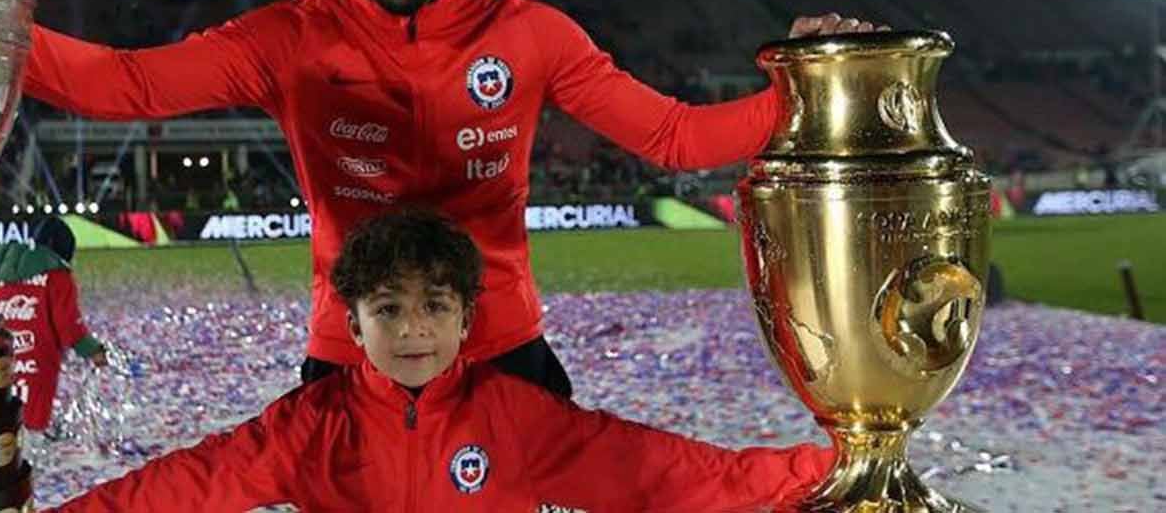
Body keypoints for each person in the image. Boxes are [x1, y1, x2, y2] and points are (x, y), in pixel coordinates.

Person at [22, 0, 886, 397]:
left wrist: (810, 85)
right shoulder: (289, 36)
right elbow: (122, 86)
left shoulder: (530, 33)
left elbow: (672, 134)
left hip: (504, 355)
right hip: (349, 357)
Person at [47, 209, 833, 512]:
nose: (413, 329)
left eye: (435, 306)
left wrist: (821, 467)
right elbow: (189, 481)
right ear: (351, 326)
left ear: (466, 320)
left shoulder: (515, 414)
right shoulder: (311, 423)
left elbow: (661, 470)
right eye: (388, 308)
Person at [0, 216, 108, 432]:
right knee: (32, 423)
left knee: (0, 415)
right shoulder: (58, 276)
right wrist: (92, 350)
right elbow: (68, 325)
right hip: (37, 358)